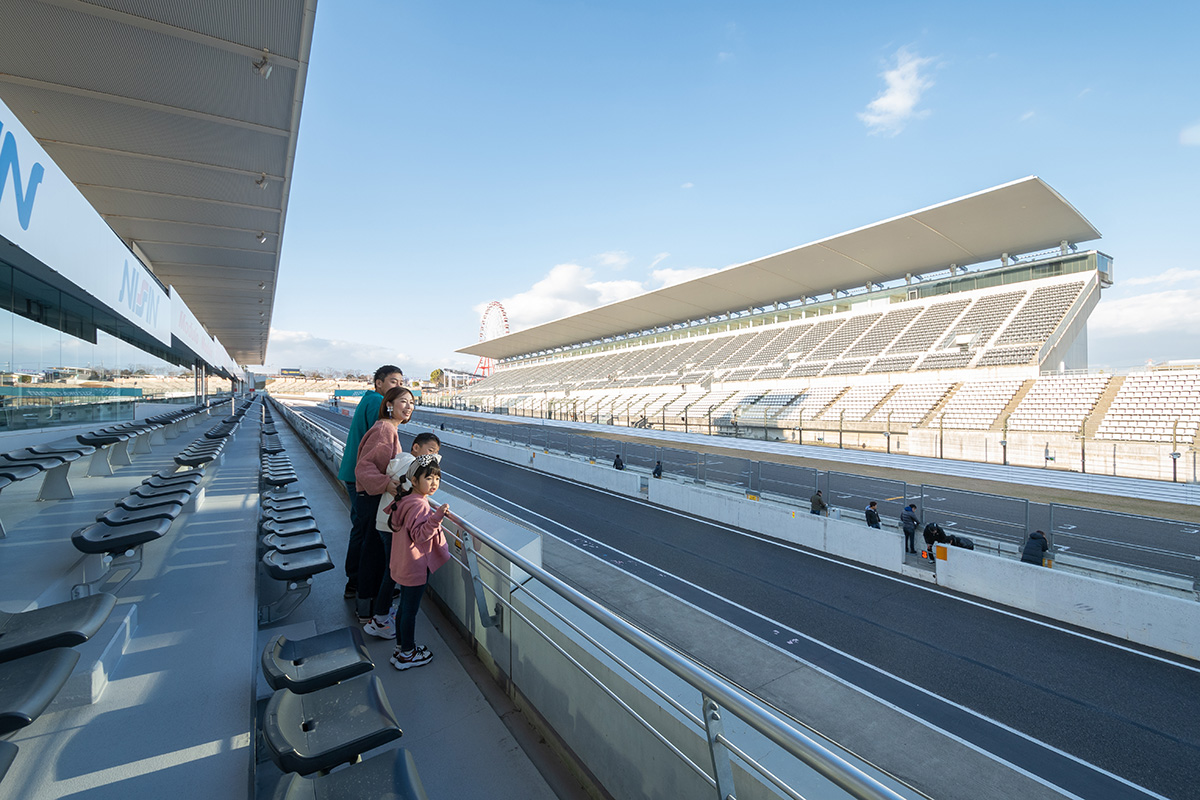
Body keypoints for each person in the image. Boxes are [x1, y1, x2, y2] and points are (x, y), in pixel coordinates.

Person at [363, 432, 442, 639]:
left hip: (386, 522)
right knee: (393, 573)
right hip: (394, 530)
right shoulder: (410, 466)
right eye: (430, 451)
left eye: (437, 454)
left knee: (392, 570)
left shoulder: (399, 462)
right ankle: (380, 618)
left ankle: (381, 615)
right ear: (415, 447)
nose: (433, 457)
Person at [336, 365, 404, 599]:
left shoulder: (368, 399)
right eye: (393, 382)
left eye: (401, 382)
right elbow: (381, 444)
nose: (398, 386)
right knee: (368, 534)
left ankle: (356, 582)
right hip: (364, 478)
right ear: (379, 383)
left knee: (360, 528)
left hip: (353, 473)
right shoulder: (378, 403)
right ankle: (360, 585)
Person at [352, 386, 415, 622]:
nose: (409, 407)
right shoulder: (384, 430)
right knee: (374, 554)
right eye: (403, 402)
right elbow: (364, 467)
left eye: (411, 403)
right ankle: (370, 611)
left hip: (372, 498)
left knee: (373, 552)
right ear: (389, 404)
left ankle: (370, 607)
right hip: (372, 499)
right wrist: (387, 484)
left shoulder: (388, 429)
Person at [387, 454, 451, 669]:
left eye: (437, 479)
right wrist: (437, 516)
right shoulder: (420, 506)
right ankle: (407, 654)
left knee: (403, 607)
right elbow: (420, 536)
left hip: (401, 563)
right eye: (429, 478)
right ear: (414, 481)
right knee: (410, 611)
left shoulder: (406, 500)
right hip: (414, 566)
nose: (434, 484)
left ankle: (400, 647)